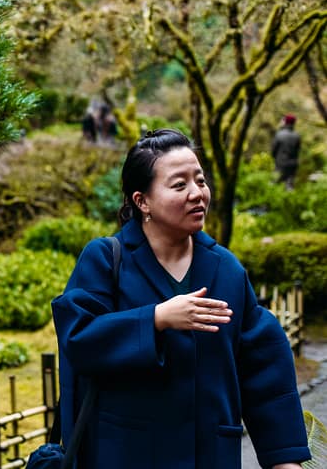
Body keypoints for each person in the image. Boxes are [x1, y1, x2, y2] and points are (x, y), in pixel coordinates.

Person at [51, 129, 310, 469]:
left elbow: (263, 369)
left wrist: (285, 459)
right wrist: (156, 318)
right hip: (127, 454)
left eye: (200, 181)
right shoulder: (106, 259)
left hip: (210, 455)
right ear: (142, 201)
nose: (197, 193)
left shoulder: (225, 269)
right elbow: (78, 338)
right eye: (179, 185)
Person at [272, 114, 301, 190]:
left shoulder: (279, 134)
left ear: (286, 122)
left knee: (275, 182)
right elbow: (298, 151)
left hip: (280, 163)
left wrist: (275, 158)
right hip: (293, 164)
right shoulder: (297, 136)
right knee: (289, 185)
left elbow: (274, 150)